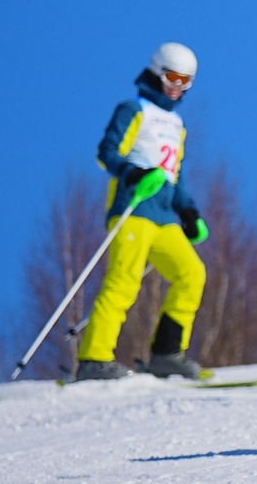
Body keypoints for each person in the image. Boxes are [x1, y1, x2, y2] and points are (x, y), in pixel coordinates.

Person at [73, 44, 209, 381]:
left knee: (191, 273)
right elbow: (107, 152)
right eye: (172, 77)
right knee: (124, 281)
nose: (177, 86)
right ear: (156, 71)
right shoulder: (135, 109)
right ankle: (94, 358)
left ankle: (166, 354)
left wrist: (188, 211)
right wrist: (134, 174)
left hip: (163, 217)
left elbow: (176, 175)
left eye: (186, 81)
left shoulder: (177, 124)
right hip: (133, 210)